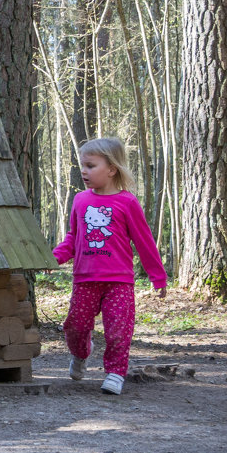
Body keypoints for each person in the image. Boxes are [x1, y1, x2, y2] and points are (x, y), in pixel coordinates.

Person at [53, 138, 167, 396]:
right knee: (75, 326)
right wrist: (56, 257)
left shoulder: (127, 203)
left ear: (112, 169)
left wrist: (157, 277)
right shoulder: (80, 200)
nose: (84, 171)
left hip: (119, 281)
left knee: (118, 329)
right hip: (84, 279)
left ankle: (115, 372)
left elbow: (144, 242)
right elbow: (73, 237)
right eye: (82, 165)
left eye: (91, 165)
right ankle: (81, 354)